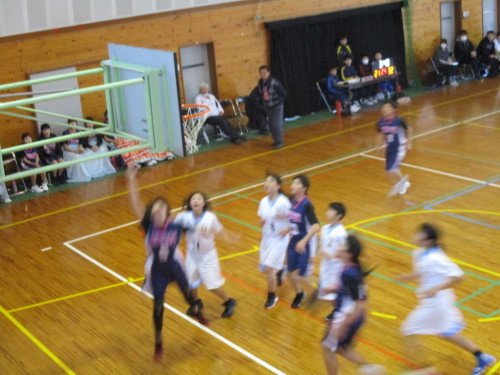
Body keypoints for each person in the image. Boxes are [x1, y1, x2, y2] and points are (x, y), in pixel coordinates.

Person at [125, 164, 208, 361]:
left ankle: (197, 311)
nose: (158, 210)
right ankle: (159, 341)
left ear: (167, 213)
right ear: (152, 214)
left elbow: (196, 225)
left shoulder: (176, 225)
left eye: (161, 208)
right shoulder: (148, 225)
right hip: (158, 269)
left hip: (174, 265)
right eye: (155, 208)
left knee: (189, 297)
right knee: (158, 306)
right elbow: (135, 202)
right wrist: (131, 180)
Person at [397, 223, 496, 375]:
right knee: (447, 332)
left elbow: (459, 276)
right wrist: (409, 276)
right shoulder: (419, 252)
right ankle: (482, 356)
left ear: (429, 240)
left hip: (436, 303)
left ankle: (424, 369)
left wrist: (436, 288)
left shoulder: (437, 258)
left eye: (419, 235)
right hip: (433, 300)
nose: (415, 236)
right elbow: (422, 271)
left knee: (407, 330)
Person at [322, 235, 385, 375]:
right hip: (349, 315)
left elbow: (361, 304)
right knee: (340, 348)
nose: (339, 246)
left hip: (347, 316)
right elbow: (352, 291)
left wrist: (345, 325)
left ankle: (370, 368)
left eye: (343, 245)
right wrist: (333, 289)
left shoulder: (350, 273)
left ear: (348, 254)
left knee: (327, 348)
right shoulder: (350, 268)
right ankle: (370, 368)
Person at [174, 191, 237, 318]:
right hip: (192, 255)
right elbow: (172, 228)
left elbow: (220, 231)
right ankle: (196, 302)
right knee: (190, 283)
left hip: (207, 255)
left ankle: (228, 301)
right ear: (190, 203)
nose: (196, 200)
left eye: (199, 198)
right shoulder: (183, 217)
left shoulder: (210, 218)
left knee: (212, 285)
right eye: (193, 199)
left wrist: (229, 239)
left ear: (204, 203)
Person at [257, 174, 292, 309]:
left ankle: (272, 296)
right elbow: (262, 220)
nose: (267, 184)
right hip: (266, 238)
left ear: (278, 186)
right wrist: (263, 221)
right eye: (266, 182)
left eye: (271, 182)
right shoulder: (263, 201)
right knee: (265, 269)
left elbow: (295, 219)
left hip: (279, 239)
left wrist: (287, 229)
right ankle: (281, 270)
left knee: (269, 268)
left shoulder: (283, 202)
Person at [286, 174, 320, 308]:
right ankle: (300, 294)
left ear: (304, 188)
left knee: (301, 275)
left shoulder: (307, 205)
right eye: (292, 183)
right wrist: (287, 230)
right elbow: (292, 220)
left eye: (296, 183)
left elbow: (316, 226)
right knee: (290, 274)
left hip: (306, 243)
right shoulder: (292, 202)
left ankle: (323, 289)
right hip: (294, 240)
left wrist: (304, 241)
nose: (292, 185)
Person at [318, 202, 348, 321]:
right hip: (326, 265)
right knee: (328, 292)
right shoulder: (325, 228)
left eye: (331, 211)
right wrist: (321, 249)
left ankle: (340, 312)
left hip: (336, 267)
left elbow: (344, 252)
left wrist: (332, 255)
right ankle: (338, 310)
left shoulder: (341, 233)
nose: (328, 212)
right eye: (328, 210)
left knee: (333, 292)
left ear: (338, 215)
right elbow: (323, 244)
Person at [375, 101, 413, 197]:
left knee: (392, 168)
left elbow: (409, 129)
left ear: (393, 110)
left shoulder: (399, 120)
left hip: (399, 147)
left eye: (387, 107)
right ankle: (403, 182)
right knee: (391, 168)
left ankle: (402, 183)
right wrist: (378, 146)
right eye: (383, 107)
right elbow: (380, 134)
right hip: (390, 147)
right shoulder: (381, 122)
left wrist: (409, 142)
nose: (384, 109)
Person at [257, 65, 287, 149]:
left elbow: (284, 93)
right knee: (271, 124)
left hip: (277, 106)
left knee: (277, 124)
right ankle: (275, 140)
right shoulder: (260, 83)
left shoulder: (275, 82)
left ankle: (279, 142)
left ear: (268, 73)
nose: (262, 74)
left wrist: (278, 102)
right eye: (261, 73)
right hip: (268, 107)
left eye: (264, 72)